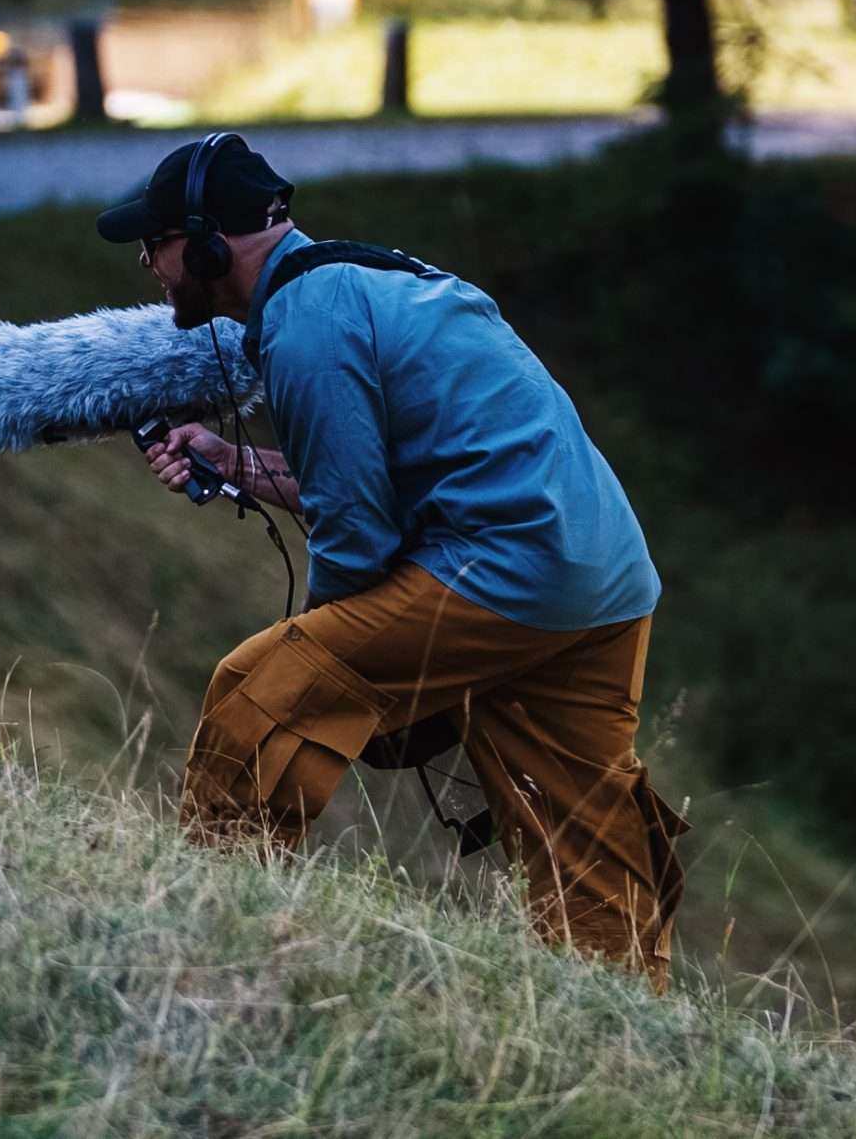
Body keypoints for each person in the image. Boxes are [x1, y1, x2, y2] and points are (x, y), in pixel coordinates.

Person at [96, 132, 688, 989]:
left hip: (508, 570)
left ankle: (198, 932)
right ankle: (629, 1012)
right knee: (584, 830)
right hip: (604, 578)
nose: (149, 262)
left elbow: (358, 538)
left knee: (260, 688)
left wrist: (343, 662)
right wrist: (229, 459)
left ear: (205, 242)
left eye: (154, 243)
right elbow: (366, 484)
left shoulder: (304, 328)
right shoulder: (367, 277)